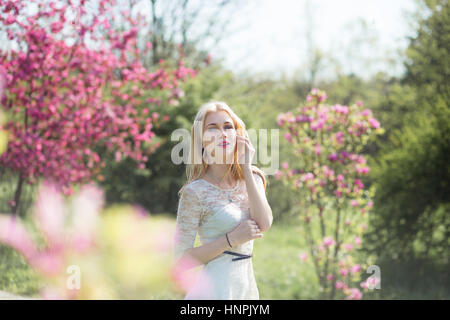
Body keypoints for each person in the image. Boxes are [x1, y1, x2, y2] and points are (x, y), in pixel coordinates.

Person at [173, 101, 273, 299]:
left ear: (238, 134)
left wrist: (245, 167)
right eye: (213, 128)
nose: (223, 133)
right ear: (202, 139)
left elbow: (264, 224)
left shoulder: (253, 178)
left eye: (228, 127)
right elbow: (181, 261)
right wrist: (231, 240)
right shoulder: (195, 192)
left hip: (246, 290)